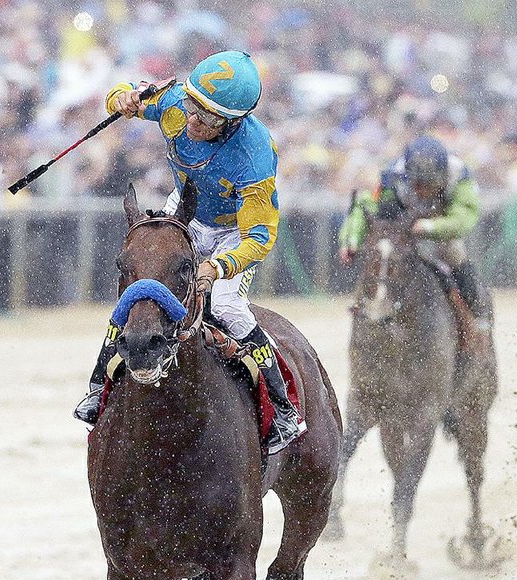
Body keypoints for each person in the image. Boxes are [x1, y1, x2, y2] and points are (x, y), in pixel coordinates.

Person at [73, 50, 304, 455]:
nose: (194, 121)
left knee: (229, 306)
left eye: (209, 118)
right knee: (143, 283)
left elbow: (260, 237)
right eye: (193, 107)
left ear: (233, 122)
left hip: (235, 231)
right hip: (186, 212)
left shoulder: (254, 154)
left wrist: (217, 268)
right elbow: (119, 95)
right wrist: (123, 98)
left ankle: (283, 408)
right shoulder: (176, 102)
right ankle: (98, 387)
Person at [338, 135, 490, 326]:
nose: (422, 191)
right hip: (402, 231)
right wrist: (351, 240)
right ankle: (368, 311)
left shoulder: (459, 176)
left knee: (455, 254)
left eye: (429, 184)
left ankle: (477, 318)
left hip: (441, 231)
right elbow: (365, 208)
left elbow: (464, 218)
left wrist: (429, 226)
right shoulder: (391, 177)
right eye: (417, 184)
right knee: (380, 257)